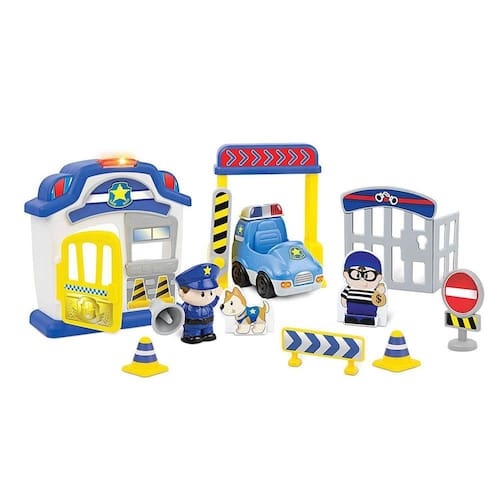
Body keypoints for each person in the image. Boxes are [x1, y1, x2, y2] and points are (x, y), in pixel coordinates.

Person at [176, 263, 222, 344]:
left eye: (211, 293)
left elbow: (213, 303)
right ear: (182, 292)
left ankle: (208, 333)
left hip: (208, 324)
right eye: (202, 294)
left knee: (208, 332)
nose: (207, 297)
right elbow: (181, 311)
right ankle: (191, 335)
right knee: (193, 333)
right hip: (192, 326)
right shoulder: (188, 307)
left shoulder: (208, 304)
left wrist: (217, 296)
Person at [341, 251, 386, 326]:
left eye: (368, 275)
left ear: (379, 277)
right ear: (346, 274)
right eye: (356, 274)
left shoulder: (374, 290)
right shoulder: (348, 288)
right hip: (351, 314)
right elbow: (343, 299)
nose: (362, 280)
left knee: (368, 321)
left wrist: (380, 289)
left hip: (370, 316)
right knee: (351, 320)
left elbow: (380, 299)